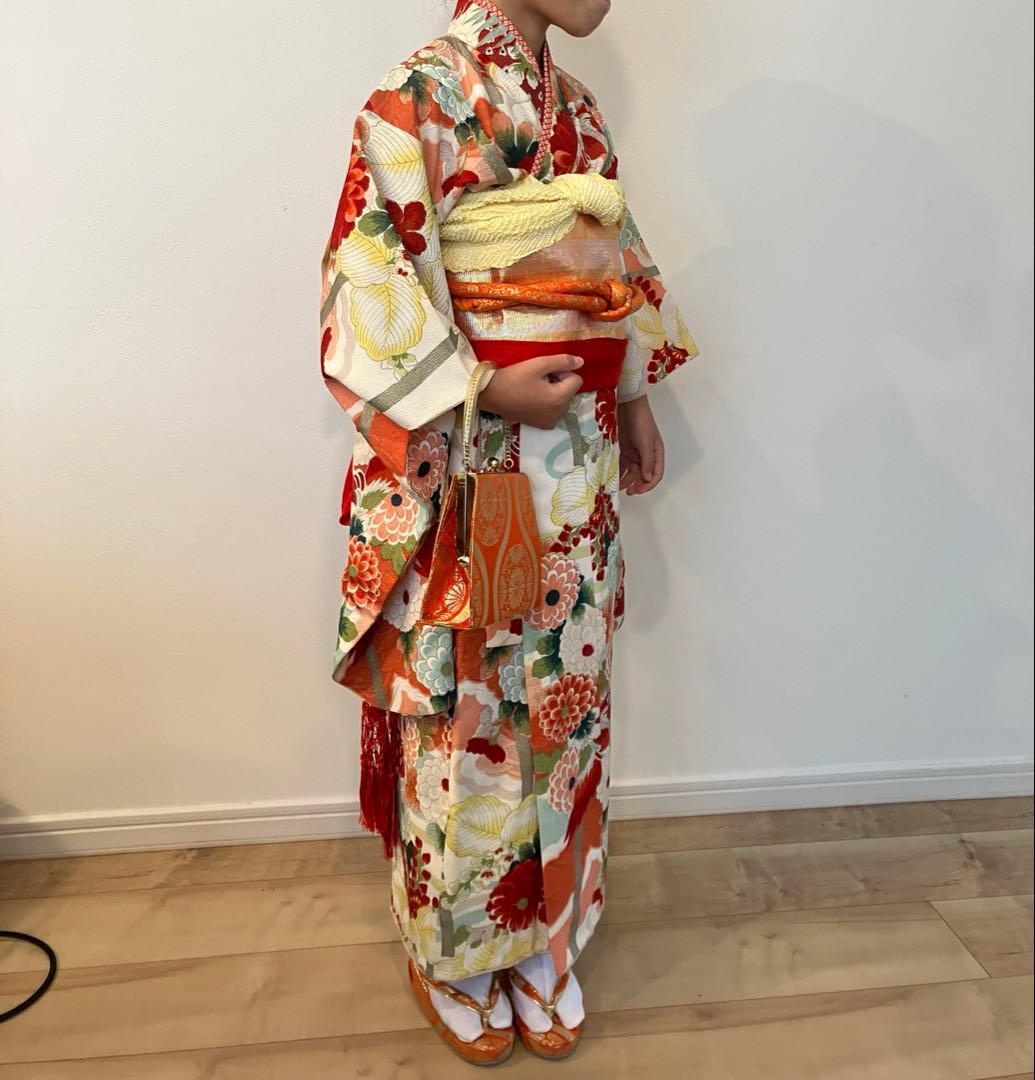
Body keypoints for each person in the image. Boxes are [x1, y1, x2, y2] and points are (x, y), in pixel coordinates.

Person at [318, 0, 698, 1063]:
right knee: (471, 708)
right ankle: (454, 953)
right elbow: (365, 287)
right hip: (470, 456)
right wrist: (481, 385)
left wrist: (634, 399)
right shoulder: (417, 97)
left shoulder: (579, 112)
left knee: (567, 704)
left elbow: (612, 263)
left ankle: (546, 938)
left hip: (574, 458)